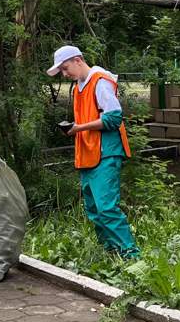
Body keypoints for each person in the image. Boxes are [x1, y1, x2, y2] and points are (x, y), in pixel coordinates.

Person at [48, 45, 138, 257]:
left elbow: (114, 118)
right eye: (61, 70)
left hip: (105, 151)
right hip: (88, 153)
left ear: (78, 60)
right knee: (94, 208)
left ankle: (131, 255)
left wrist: (79, 128)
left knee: (106, 207)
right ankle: (111, 251)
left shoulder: (99, 81)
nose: (64, 73)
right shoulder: (80, 84)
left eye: (65, 68)